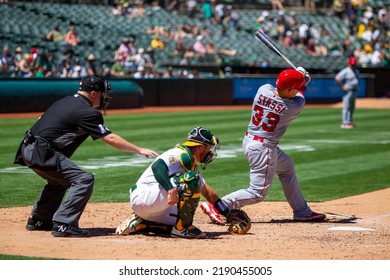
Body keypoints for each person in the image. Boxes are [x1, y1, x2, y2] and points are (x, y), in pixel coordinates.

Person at [14, 76, 159, 237]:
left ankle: (39, 219)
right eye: (103, 93)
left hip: (27, 147)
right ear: (93, 94)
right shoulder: (87, 112)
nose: (105, 97)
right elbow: (110, 138)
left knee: (58, 181)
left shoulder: (65, 101)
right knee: (83, 179)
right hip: (41, 151)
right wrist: (139, 149)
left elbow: (41, 118)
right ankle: (64, 223)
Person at [201, 68, 326, 223]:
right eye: (295, 88)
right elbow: (300, 94)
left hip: (249, 140)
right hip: (263, 148)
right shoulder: (293, 107)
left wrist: (298, 76)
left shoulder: (263, 89)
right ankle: (220, 205)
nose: (298, 91)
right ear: (289, 89)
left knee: (287, 168)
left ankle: (302, 211)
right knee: (258, 192)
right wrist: (304, 78)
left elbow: (289, 89)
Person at [116, 126, 225, 239]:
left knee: (179, 218)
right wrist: (170, 189)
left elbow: (208, 192)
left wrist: (229, 213)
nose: (210, 153)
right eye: (209, 148)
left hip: (152, 205)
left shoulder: (191, 163)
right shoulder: (177, 153)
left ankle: (143, 222)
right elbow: (157, 167)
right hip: (144, 196)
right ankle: (182, 229)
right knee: (191, 179)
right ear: (201, 147)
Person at [335, 57, 359, 129]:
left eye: (354, 64)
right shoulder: (346, 71)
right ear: (349, 64)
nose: (353, 65)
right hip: (348, 91)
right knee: (346, 107)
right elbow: (337, 78)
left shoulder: (356, 71)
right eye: (352, 64)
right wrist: (342, 86)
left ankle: (349, 121)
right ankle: (345, 123)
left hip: (354, 91)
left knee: (352, 107)